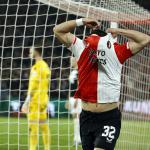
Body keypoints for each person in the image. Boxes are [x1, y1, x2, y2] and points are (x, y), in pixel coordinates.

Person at [53, 18, 150, 150]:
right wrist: (82, 21)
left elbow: (146, 39)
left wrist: (116, 29)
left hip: (108, 118)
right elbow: (57, 30)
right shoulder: (82, 47)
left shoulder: (114, 50)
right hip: (86, 117)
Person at [21, 46, 51, 150]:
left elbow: (33, 87)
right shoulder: (46, 66)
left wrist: (26, 102)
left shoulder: (36, 67)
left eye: (31, 51)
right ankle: (47, 148)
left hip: (35, 102)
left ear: (36, 52)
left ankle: (32, 148)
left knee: (33, 128)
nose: (29, 53)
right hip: (43, 101)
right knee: (44, 127)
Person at [66, 57, 82, 146]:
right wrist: (68, 99)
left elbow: (79, 86)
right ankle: (76, 138)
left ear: (76, 61)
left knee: (78, 118)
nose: (71, 62)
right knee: (75, 118)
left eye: (72, 60)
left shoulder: (80, 71)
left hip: (77, 98)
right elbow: (70, 87)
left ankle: (78, 139)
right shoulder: (72, 72)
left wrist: (76, 99)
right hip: (72, 98)